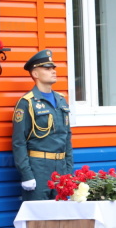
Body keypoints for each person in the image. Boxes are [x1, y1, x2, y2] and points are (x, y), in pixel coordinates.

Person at [12, 50, 73, 201]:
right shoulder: (27, 103)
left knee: (62, 218)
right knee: (38, 220)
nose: (53, 71)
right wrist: (26, 175)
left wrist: (69, 171)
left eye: (53, 68)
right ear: (35, 74)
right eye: (47, 68)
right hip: (39, 168)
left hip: (61, 167)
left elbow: (67, 139)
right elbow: (19, 142)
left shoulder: (61, 100)